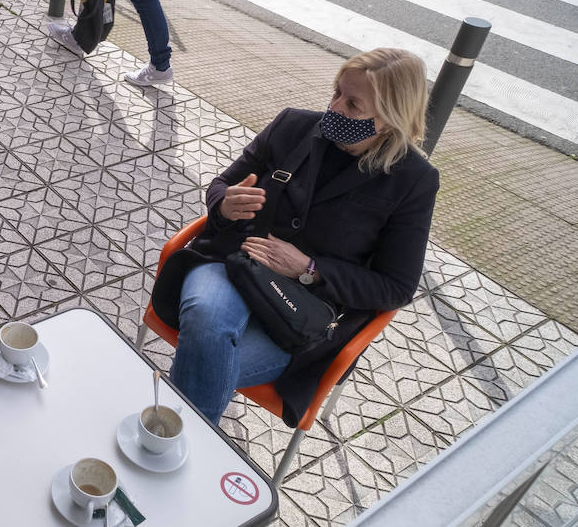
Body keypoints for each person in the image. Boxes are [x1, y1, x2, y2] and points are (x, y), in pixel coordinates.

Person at [149, 48, 439, 426]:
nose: (335, 108)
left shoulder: (413, 180)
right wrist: (224, 204)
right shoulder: (294, 126)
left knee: (206, 366)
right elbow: (223, 184)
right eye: (336, 92)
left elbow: (396, 287)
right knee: (207, 327)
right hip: (231, 263)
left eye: (353, 104)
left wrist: (311, 269)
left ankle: (164, 439)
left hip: (301, 311)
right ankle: (179, 452)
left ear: (389, 119)